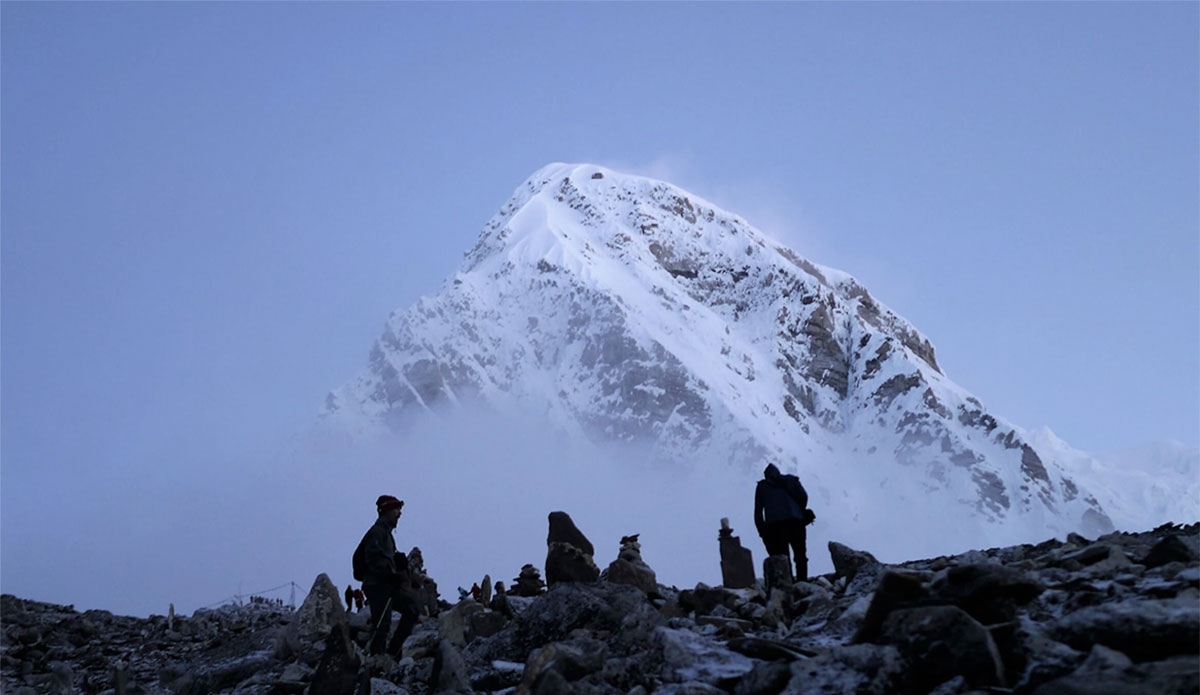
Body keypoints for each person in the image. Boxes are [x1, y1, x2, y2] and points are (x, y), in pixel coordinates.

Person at [359, 494, 421, 657]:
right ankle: (376, 658)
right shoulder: (377, 532)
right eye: (396, 509)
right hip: (377, 585)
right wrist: (389, 574)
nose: (400, 513)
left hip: (387, 584)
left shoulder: (386, 534)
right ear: (386, 510)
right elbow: (372, 558)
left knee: (412, 609)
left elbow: (381, 558)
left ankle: (391, 653)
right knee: (382, 623)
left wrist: (396, 562)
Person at [754, 463, 812, 580]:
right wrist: (799, 510)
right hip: (796, 522)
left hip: (775, 526)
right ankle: (802, 581)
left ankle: (787, 582)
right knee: (800, 555)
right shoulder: (791, 480)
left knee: (782, 557)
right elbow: (804, 496)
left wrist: (762, 531)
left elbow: (758, 511)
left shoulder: (763, 486)